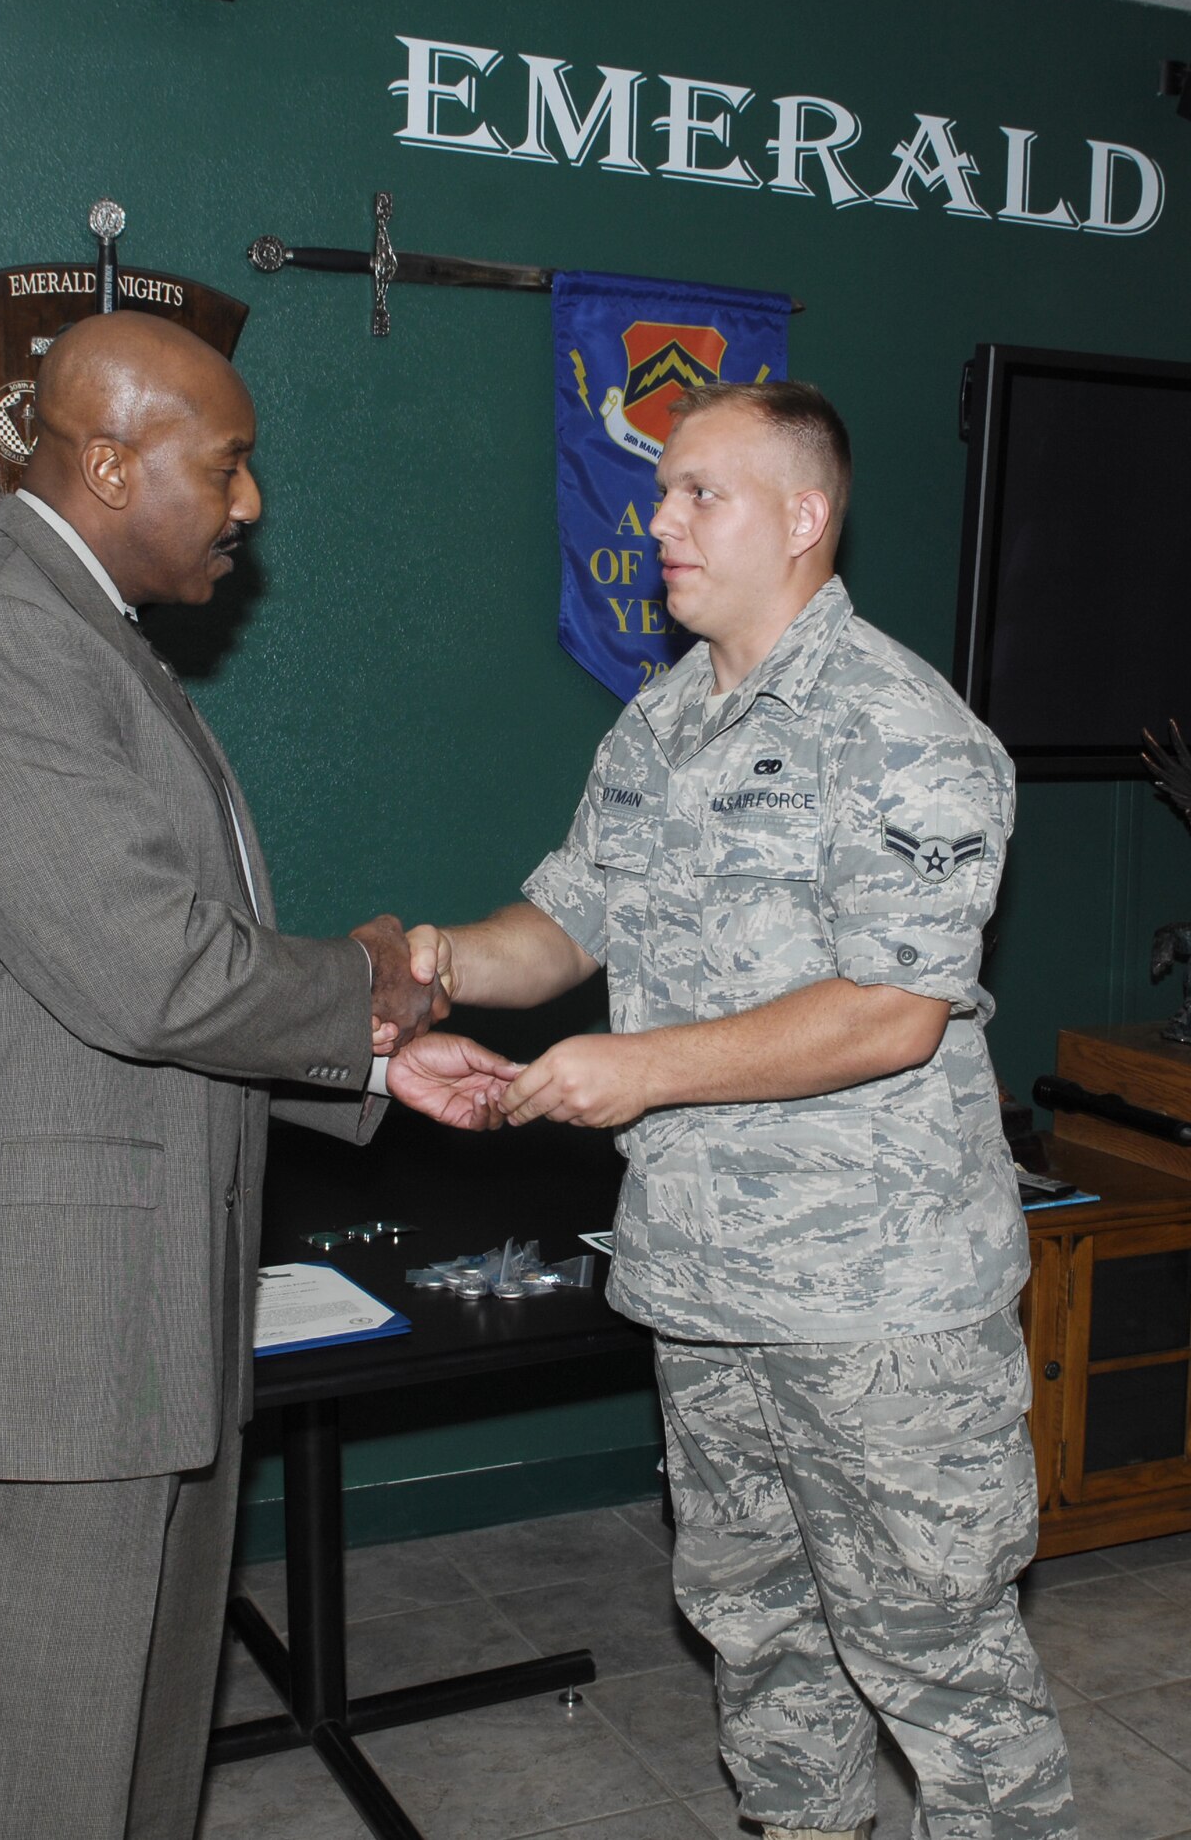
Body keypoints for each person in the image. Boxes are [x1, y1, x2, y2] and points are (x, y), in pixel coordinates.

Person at [0, 309, 512, 1840]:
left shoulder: (77, 637)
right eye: (229, 465)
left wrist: (373, 1062)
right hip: (44, 1350)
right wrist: (369, 983)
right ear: (107, 460)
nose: (251, 502)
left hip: (129, 1333)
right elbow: (144, 967)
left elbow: (108, 992)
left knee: (134, 1776)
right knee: (39, 1787)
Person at [406, 382, 1077, 1840]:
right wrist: (437, 962)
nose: (659, 521)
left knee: (941, 1666)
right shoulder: (662, 718)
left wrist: (639, 1067)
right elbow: (567, 922)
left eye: (701, 492)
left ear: (804, 516)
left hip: (879, 1305)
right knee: (759, 1633)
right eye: (662, 494)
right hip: (710, 1285)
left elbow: (892, 1011)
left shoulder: (904, 728)